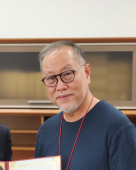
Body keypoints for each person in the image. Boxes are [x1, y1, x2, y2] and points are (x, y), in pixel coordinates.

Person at [34, 41, 136, 170]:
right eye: (50, 78)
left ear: (87, 73)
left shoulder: (118, 127)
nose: (60, 86)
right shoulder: (45, 131)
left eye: (67, 74)